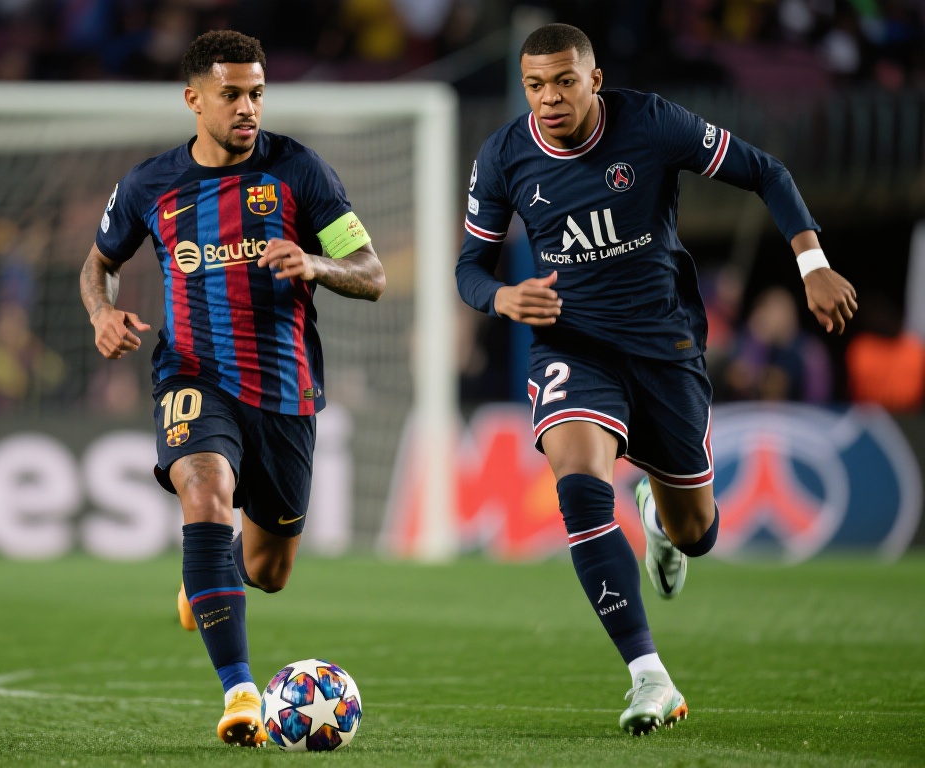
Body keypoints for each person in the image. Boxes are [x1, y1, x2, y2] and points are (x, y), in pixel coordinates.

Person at [456, 23, 857, 736]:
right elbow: (469, 267)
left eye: (565, 82)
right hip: (573, 348)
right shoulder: (503, 156)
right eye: (536, 86)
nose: (550, 98)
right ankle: (649, 676)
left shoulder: (650, 123)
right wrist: (501, 298)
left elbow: (766, 171)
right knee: (580, 491)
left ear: (594, 80)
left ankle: (661, 520)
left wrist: (812, 264)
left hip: (664, 347)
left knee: (696, 532)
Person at [79, 30, 385, 748]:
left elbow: (371, 273)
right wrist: (101, 314)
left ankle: (206, 575)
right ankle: (240, 692)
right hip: (191, 374)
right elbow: (98, 265)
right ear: (194, 99)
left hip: (283, 391)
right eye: (232, 95)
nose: (248, 107)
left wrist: (315, 263)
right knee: (205, 492)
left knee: (269, 572)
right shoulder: (149, 185)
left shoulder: (300, 171)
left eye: (257, 93)